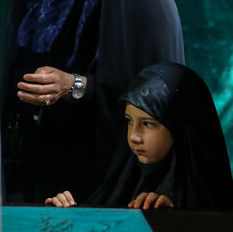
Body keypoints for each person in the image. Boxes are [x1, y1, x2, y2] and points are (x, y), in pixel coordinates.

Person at [1, 0, 185, 204]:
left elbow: (152, 99)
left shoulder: (141, 3)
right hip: (42, 171)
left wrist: (75, 85)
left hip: (109, 171)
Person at [45, 62, 233, 210]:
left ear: (179, 126)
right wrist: (67, 218)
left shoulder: (210, 203)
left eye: (148, 124)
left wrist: (175, 218)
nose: (134, 137)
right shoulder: (120, 185)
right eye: (129, 121)